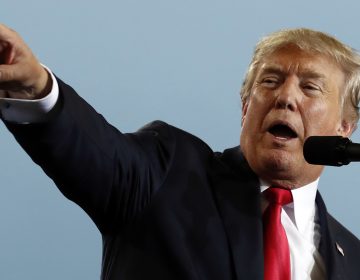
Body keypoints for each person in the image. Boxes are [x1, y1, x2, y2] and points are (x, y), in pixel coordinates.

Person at [0, 24, 359, 279]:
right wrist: (34, 87)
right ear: (246, 106)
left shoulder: (352, 257)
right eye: (270, 81)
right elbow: (96, 151)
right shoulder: (169, 171)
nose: (285, 97)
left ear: (345, 126)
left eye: (310, 87)